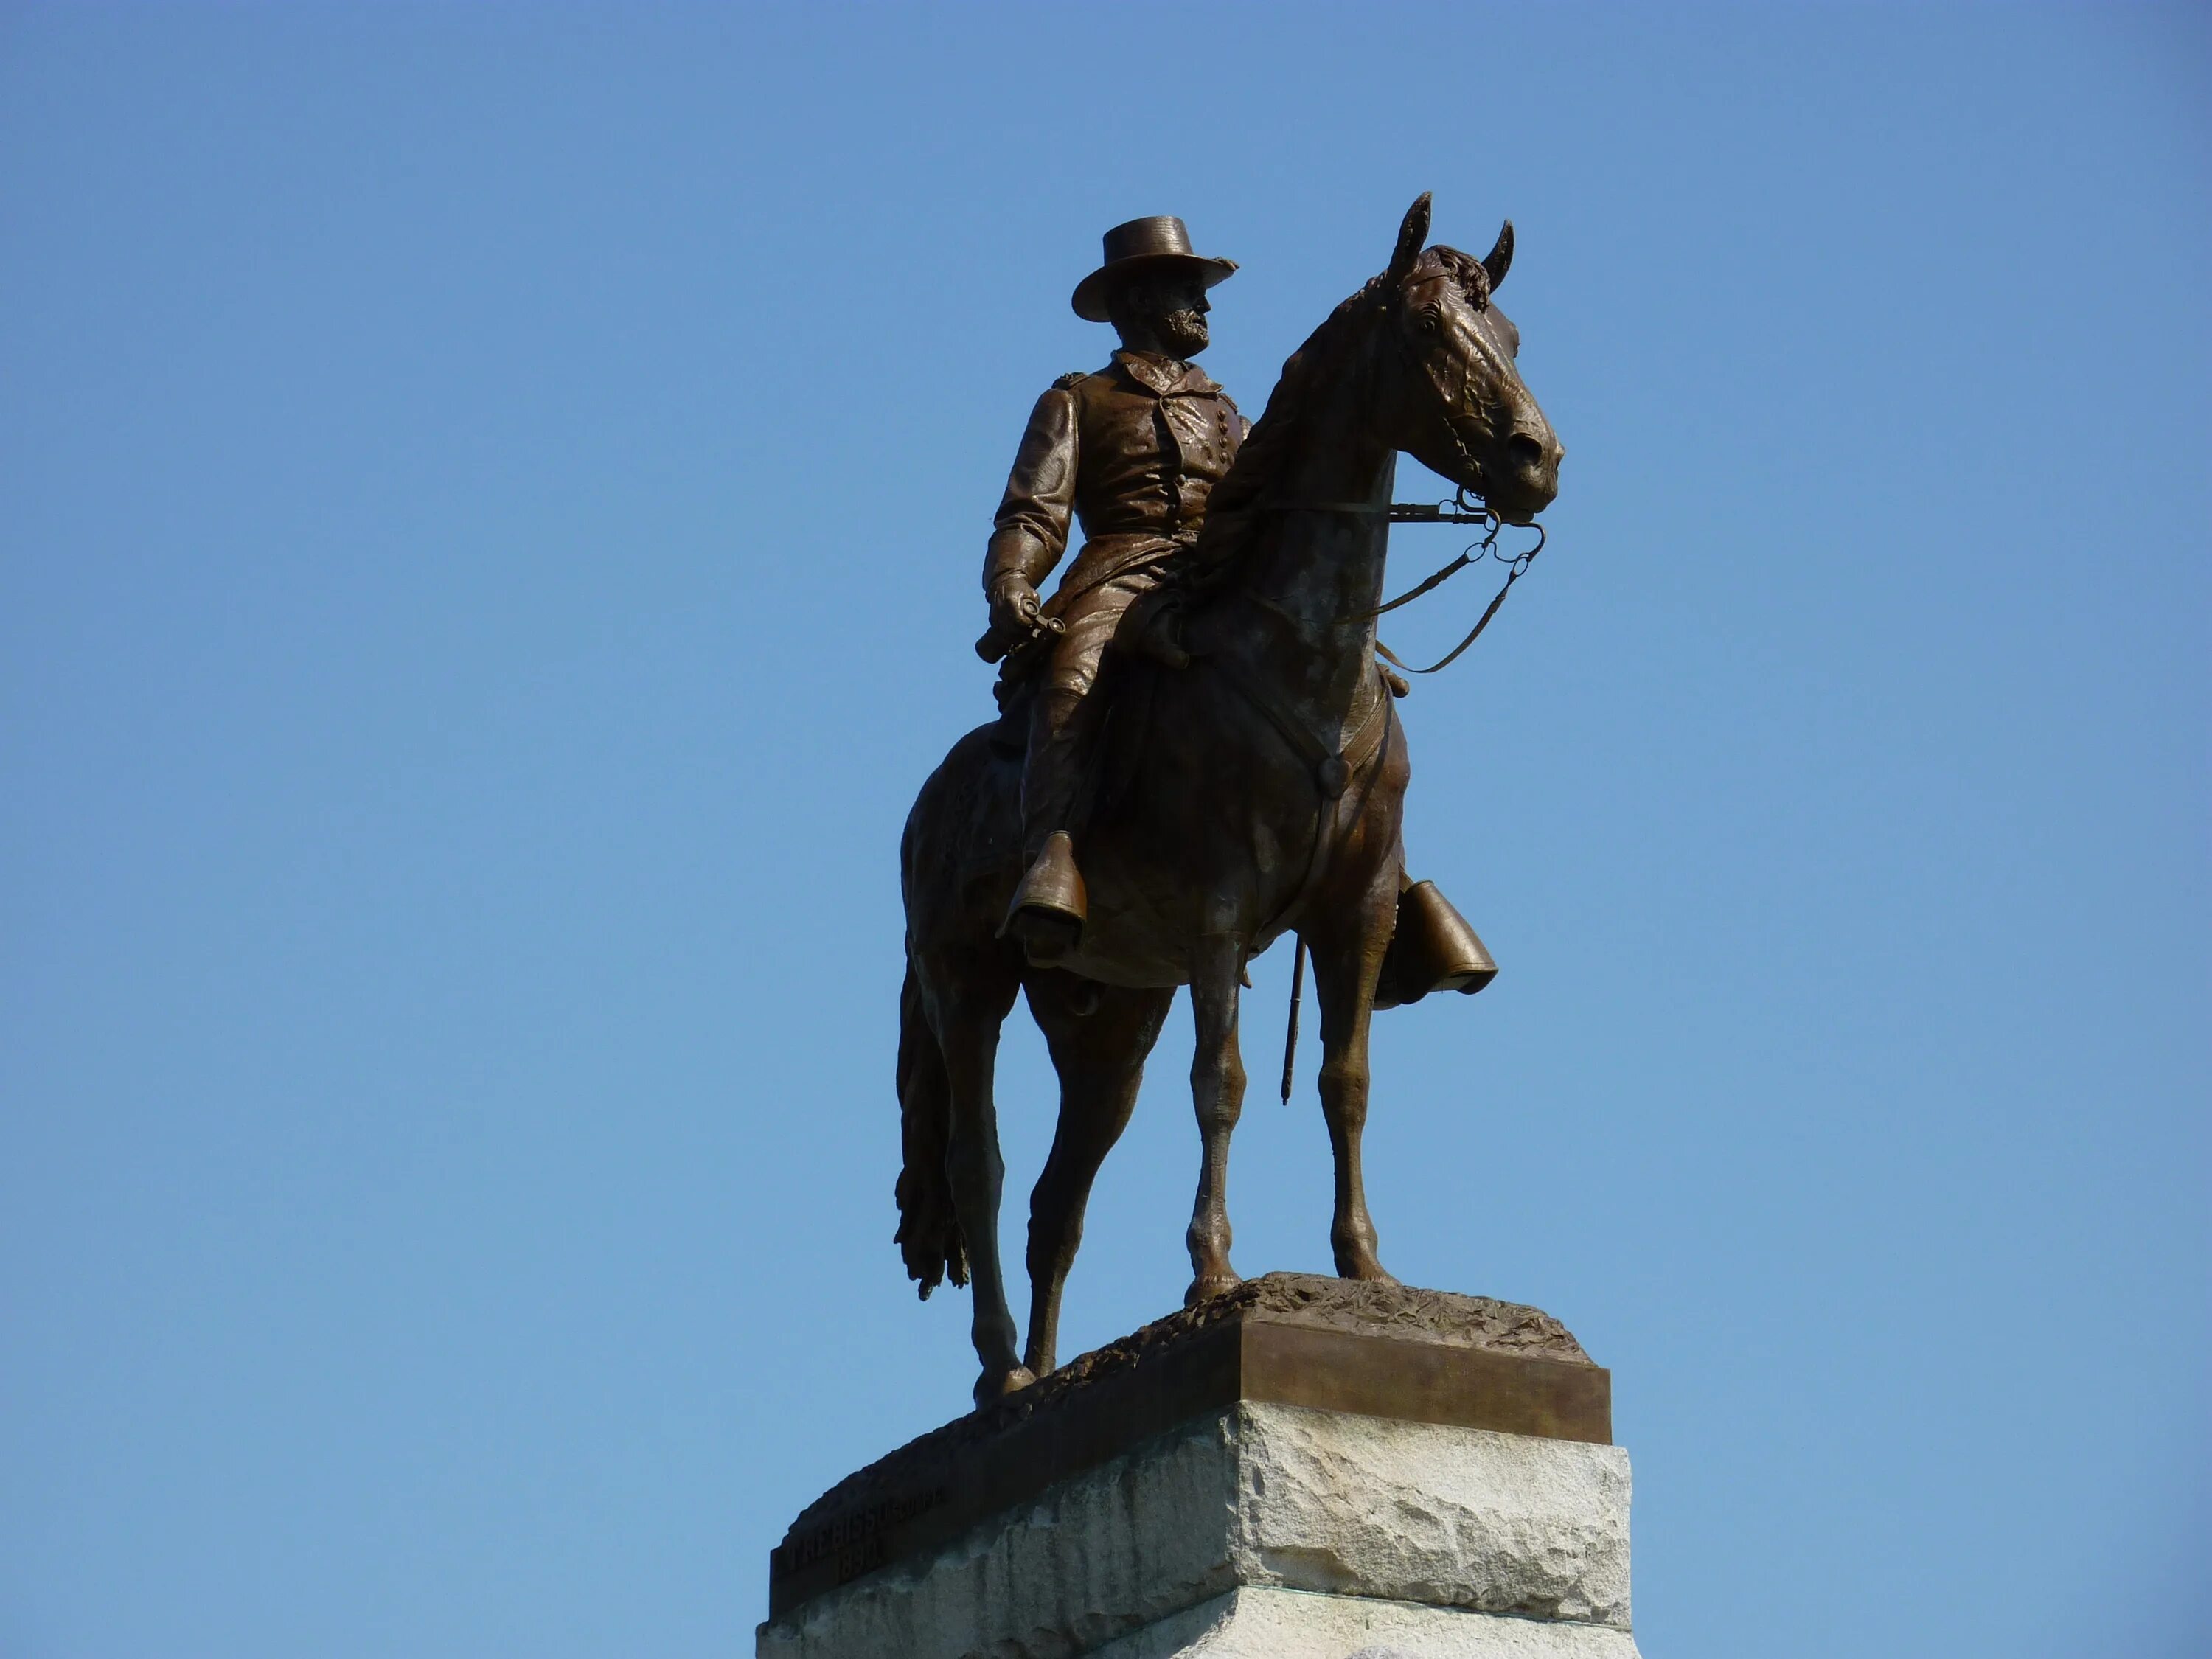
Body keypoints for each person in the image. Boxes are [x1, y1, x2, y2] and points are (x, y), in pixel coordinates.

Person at [982, 215, 1244, 964]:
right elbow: (1033, 511)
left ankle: (1381, 883)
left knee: (1342, 674)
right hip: (1122, 573)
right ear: (1138, 300)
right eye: (1187, 289)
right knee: (1074, 686)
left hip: (1220, 576)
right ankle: (1052, 860)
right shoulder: (1079, 400)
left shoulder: (1227, 411)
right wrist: (1013, 585)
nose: (1206, 306)